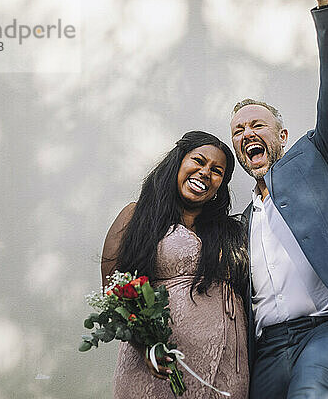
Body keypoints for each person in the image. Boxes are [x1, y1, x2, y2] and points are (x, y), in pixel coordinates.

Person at [229, 0, 328, 398]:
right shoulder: (239, 224)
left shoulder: (319, 161)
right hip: (266, 351)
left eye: (257, 125)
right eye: (238, 130)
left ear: (281, 136)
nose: (247, 133)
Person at [101, 131, 249, 398]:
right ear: (178, 162)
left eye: (217, 171)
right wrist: (146, 345)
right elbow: (113, 291)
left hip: (228, 365)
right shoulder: (136, 216)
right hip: (160, 364)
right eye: (199, 161)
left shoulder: (230, 231)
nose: (205, 172)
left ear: (220, 186)